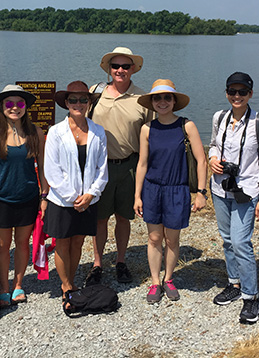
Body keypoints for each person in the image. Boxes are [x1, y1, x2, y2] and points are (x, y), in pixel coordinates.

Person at [134, 79, 207, 303]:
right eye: (157, 98)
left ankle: (169, 278)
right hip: (152, 189)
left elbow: (201, 159)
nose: (162, 102)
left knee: (172, 239)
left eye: (167, 97)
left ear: (174, 101)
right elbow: (142, 163)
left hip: (177, 189)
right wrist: (137, 195)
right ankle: (155, 282)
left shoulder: (187, 126)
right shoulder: (147, 128)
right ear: (152, 102)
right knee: (154, 237)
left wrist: (202, 192)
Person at [86, 46, 155, 286]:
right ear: (109, 69)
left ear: (133, 69)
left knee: (123, 218)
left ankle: (121, 261)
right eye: (116, 66)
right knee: (100, 219)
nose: (120, 70)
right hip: (99, 168)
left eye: (126, 66)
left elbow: (150, 136)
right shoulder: (94, 95)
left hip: (129, 166)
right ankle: (97, 264)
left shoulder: (143, 99)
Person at [208, 72, 259, 323]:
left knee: (240, 242)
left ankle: (251, 297)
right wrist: (214, 158)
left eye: (242, 92)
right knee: (226, 240)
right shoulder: (219, 117)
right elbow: (214, 144)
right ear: (226, 93)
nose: (237, 96)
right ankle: (234, 284)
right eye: (232, 92)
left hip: (247, 190)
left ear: (250, 94)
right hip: (220, 188)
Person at [0, 84, 49, 307]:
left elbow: (44, 168)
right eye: (9, 103)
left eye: (20, 104)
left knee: (22, 243)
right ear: (1, 107)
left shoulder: (35, 133)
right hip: (1, 199)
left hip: (28, 198)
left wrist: (44, 196)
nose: (15, 108)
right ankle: (4, 287)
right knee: (1, 245)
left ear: (26, 107)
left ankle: (18, 284)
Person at [44, 81, 108, 303]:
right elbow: (51, 171)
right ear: (66, 103)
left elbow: (102, 168)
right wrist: (73, 197)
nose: (78, 103)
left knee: (78, 241)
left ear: (89, 103)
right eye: (73, 100)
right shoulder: (55, 132)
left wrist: (91, 194)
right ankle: (66, 285)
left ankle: (72, 279)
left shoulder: (98, 132)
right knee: (62, 242)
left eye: (83, 99)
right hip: (62, 200)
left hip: (88, 199)